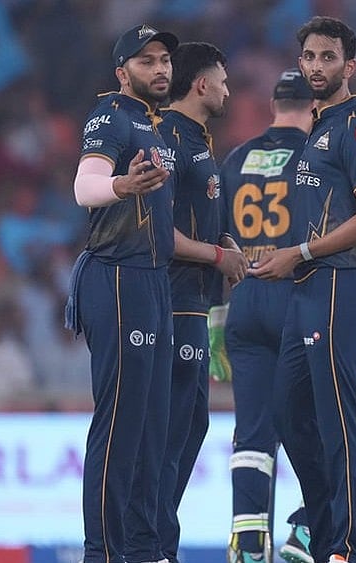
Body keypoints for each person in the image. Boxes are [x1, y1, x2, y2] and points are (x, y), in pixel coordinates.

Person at [250, 16, 356, 563]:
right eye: (308, 56)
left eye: (327, 57)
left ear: (349, 66)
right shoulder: (319, 125)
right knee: (287, 412)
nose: (315, 66)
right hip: (308, 285)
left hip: (339, 282)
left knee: (337, 417)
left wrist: (301, 254)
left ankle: (345, 548)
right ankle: (323, 525)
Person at [64, 23, 179, 563]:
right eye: (147, 61)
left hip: (152, 279)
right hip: (117, 277)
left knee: (153, 424)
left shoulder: (154, 125)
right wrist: (121, 186)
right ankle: (102, 553)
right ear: (122, 71)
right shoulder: (111, 113)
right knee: (120, 421)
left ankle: (140, 549)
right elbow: (85, 187)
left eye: (164, 60)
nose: (160, 69)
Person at [152, 41, 248, 563]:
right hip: (169, 304)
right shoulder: (167, 138)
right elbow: (159, 233)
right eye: (224, 78)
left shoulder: (196, 141)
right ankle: (153, 547)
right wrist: (215, 255)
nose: (230, 89)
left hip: (195, 305)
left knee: (191, 426)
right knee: (170, 430)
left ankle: (159, 542)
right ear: (202, 84)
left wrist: (224, 246)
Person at [220, 68, 317, 563]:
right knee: (319, 421)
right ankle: (304, 530)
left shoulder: (238, 159)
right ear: (314, 106)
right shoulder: (315, 155)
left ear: (275, 105)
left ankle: (248, 540)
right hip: (295, 299)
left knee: (252, 432)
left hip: (245, 299)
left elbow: (219, 236)